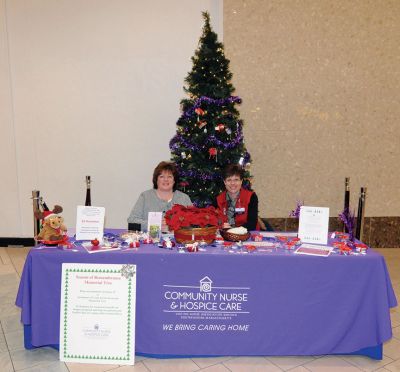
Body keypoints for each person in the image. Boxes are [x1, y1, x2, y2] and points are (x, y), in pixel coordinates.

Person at [127, 161, 192, 231]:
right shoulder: (145, 196)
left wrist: (172, 226)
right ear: (156, 180)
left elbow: (193, 222)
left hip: (178, 241)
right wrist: (155, 225)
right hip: (149, 241)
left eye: (169, 176)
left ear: (174, 181)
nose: (166, 179)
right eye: (162, 176)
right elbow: (132, 221)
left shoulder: (184, 198)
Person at [215, 164, 259, 230]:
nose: (233, 183)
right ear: (225, 182)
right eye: (229, 180)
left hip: (248, 235)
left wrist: (233, 229)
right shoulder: (218, 199)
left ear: (241, 181)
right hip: (225, 236)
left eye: (236, 179)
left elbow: (252, 224)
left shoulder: (251, 197)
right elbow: (214, 222)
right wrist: (221, 226)